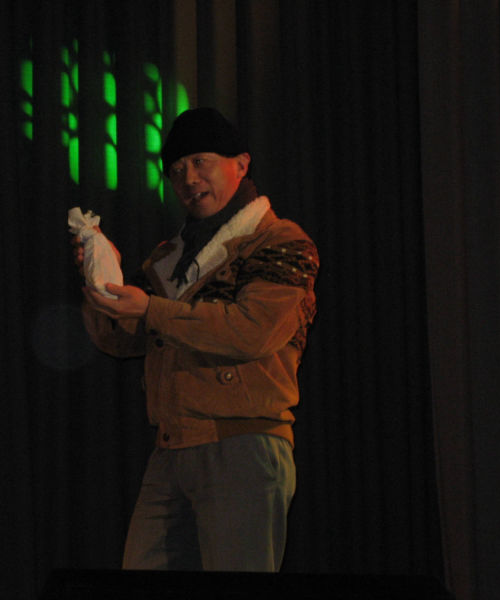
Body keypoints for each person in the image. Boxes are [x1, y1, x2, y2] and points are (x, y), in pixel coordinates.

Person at [75, 107, 318, 572]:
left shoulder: (279, 241)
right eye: (176, 169)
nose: (188, 178)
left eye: (201, 161)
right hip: (171, 450)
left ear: (241, 164)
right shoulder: (169, 258)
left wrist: (151, 309)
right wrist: (99, 275)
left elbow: (251, 331)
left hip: (243, 444)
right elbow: (120, 340)